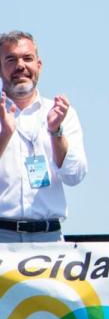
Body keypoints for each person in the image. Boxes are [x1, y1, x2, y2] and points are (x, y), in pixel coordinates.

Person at [0, 31, 87, 242]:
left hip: (48, 240)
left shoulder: (61, 112)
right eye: (11, 59)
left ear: (39, 65)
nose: (20, 66)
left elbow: (75, 175)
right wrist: (5, 136)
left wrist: (56, 132)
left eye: (27, 58)